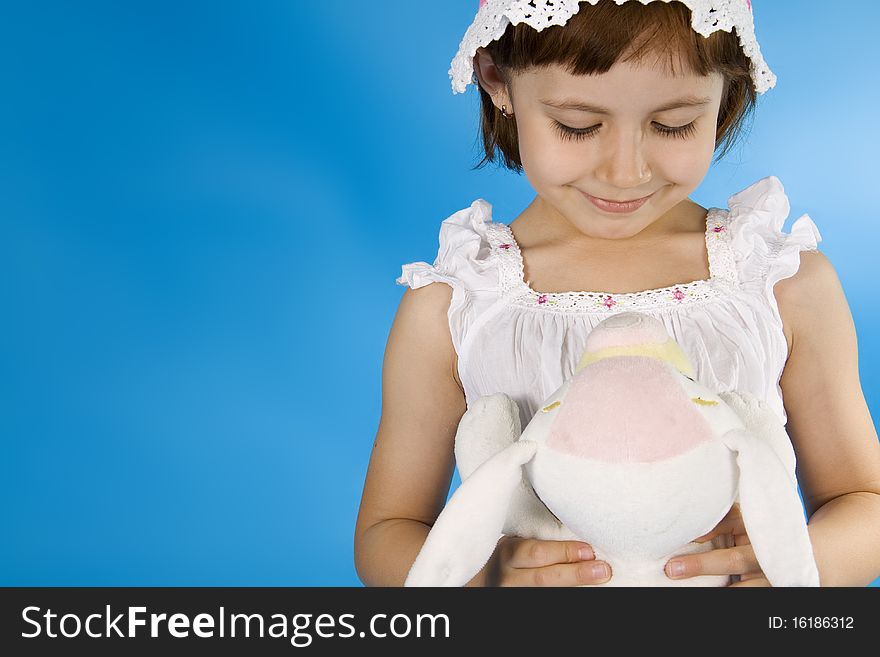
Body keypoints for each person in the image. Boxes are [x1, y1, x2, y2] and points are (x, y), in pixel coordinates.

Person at [354, 0, 880, 587]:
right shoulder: (457, 305)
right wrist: (489, 578)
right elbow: (387, 532)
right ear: (498, 80)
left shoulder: (780, 283)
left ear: (726, 93)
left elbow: (865, 501)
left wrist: (791, 568)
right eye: (578, 125)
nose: (626, 172)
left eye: (674, 123)